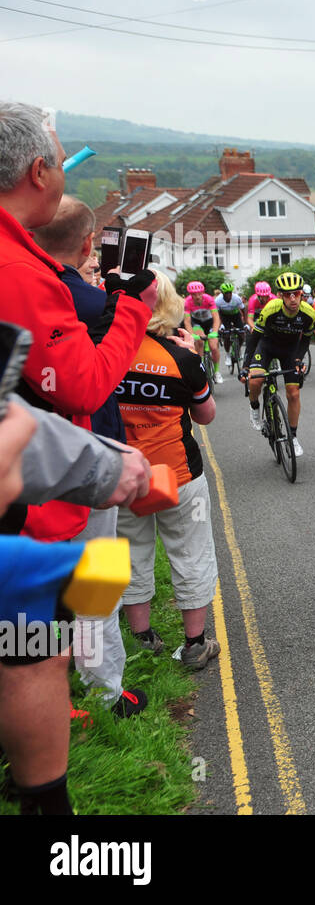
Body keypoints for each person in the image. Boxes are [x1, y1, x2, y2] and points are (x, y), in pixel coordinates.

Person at [0, 99, 156, 815]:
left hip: (56, 466)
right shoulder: (58, 285)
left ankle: (90, 678)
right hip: (64, 475)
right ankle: (101, 681)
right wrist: (132, 309)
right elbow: (91, 381)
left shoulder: (45, 269)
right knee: (86, 581)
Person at [30, 197, 144, 713]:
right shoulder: (92, 302)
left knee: (32, 588)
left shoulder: (24, 288)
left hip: (25, 459)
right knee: (98, 580)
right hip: (86, 453)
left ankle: (39, 693)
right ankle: (103, 691)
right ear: (85, 246)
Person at [116, 274, 221, 669]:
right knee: (191, 552)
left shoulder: (107, 352)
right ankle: (195, 644)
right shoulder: (182, 359)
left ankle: (143, 638)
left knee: (129, 552)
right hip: (178, 473)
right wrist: (194, 357)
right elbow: (206, 415)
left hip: (124, 473)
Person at [241, 271, 315, 457]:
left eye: (296, 294)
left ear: (301, 294)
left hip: (290, 350)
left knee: (293, 393)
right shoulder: (271, 309)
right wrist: (245, 366)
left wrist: (299, 359)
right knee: (255, 381)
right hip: (266, 346)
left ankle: (293, 436)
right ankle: (254, 407)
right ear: (280, 295)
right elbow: (254, 338)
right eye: (287, 294)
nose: (292, 298)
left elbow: (306, 340)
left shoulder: (309, 314)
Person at [182, 281, 222, 383]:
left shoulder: (209, 299)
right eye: (194, 294)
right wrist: (192, 335)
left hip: (210, 323)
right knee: (199, 342)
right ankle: (201, 368)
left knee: (213, 346)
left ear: (203, 292)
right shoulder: (187, 302)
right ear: (190, 295)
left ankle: (217, 372)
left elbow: (216, 317)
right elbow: (187, 321)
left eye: (199, 293)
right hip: (197, 324)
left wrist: (215, 331)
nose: (197, 296)